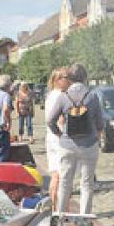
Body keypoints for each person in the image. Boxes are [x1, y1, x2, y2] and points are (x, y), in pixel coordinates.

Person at [46, 63, 106, 215]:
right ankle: (84, 218)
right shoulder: (92, 96)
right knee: (86, 184)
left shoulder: (63, 96)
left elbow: (50, 120)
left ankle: (60, 216)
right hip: (88, 145)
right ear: (85, 78)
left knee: (65, 183)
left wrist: (59, 135)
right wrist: (96, 139)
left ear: (70, 78)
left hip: (67, 145)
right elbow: (100, 124)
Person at [44, 68, 71, 212]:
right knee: (62, 178)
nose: (70, 80)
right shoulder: (61, 96)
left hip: (51, 138)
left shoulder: (51, 95)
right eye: (67, 77)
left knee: (55, 176)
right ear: (58, 80)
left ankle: (55, 209)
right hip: (59, 140)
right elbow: (60, 120)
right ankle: (62, 210)